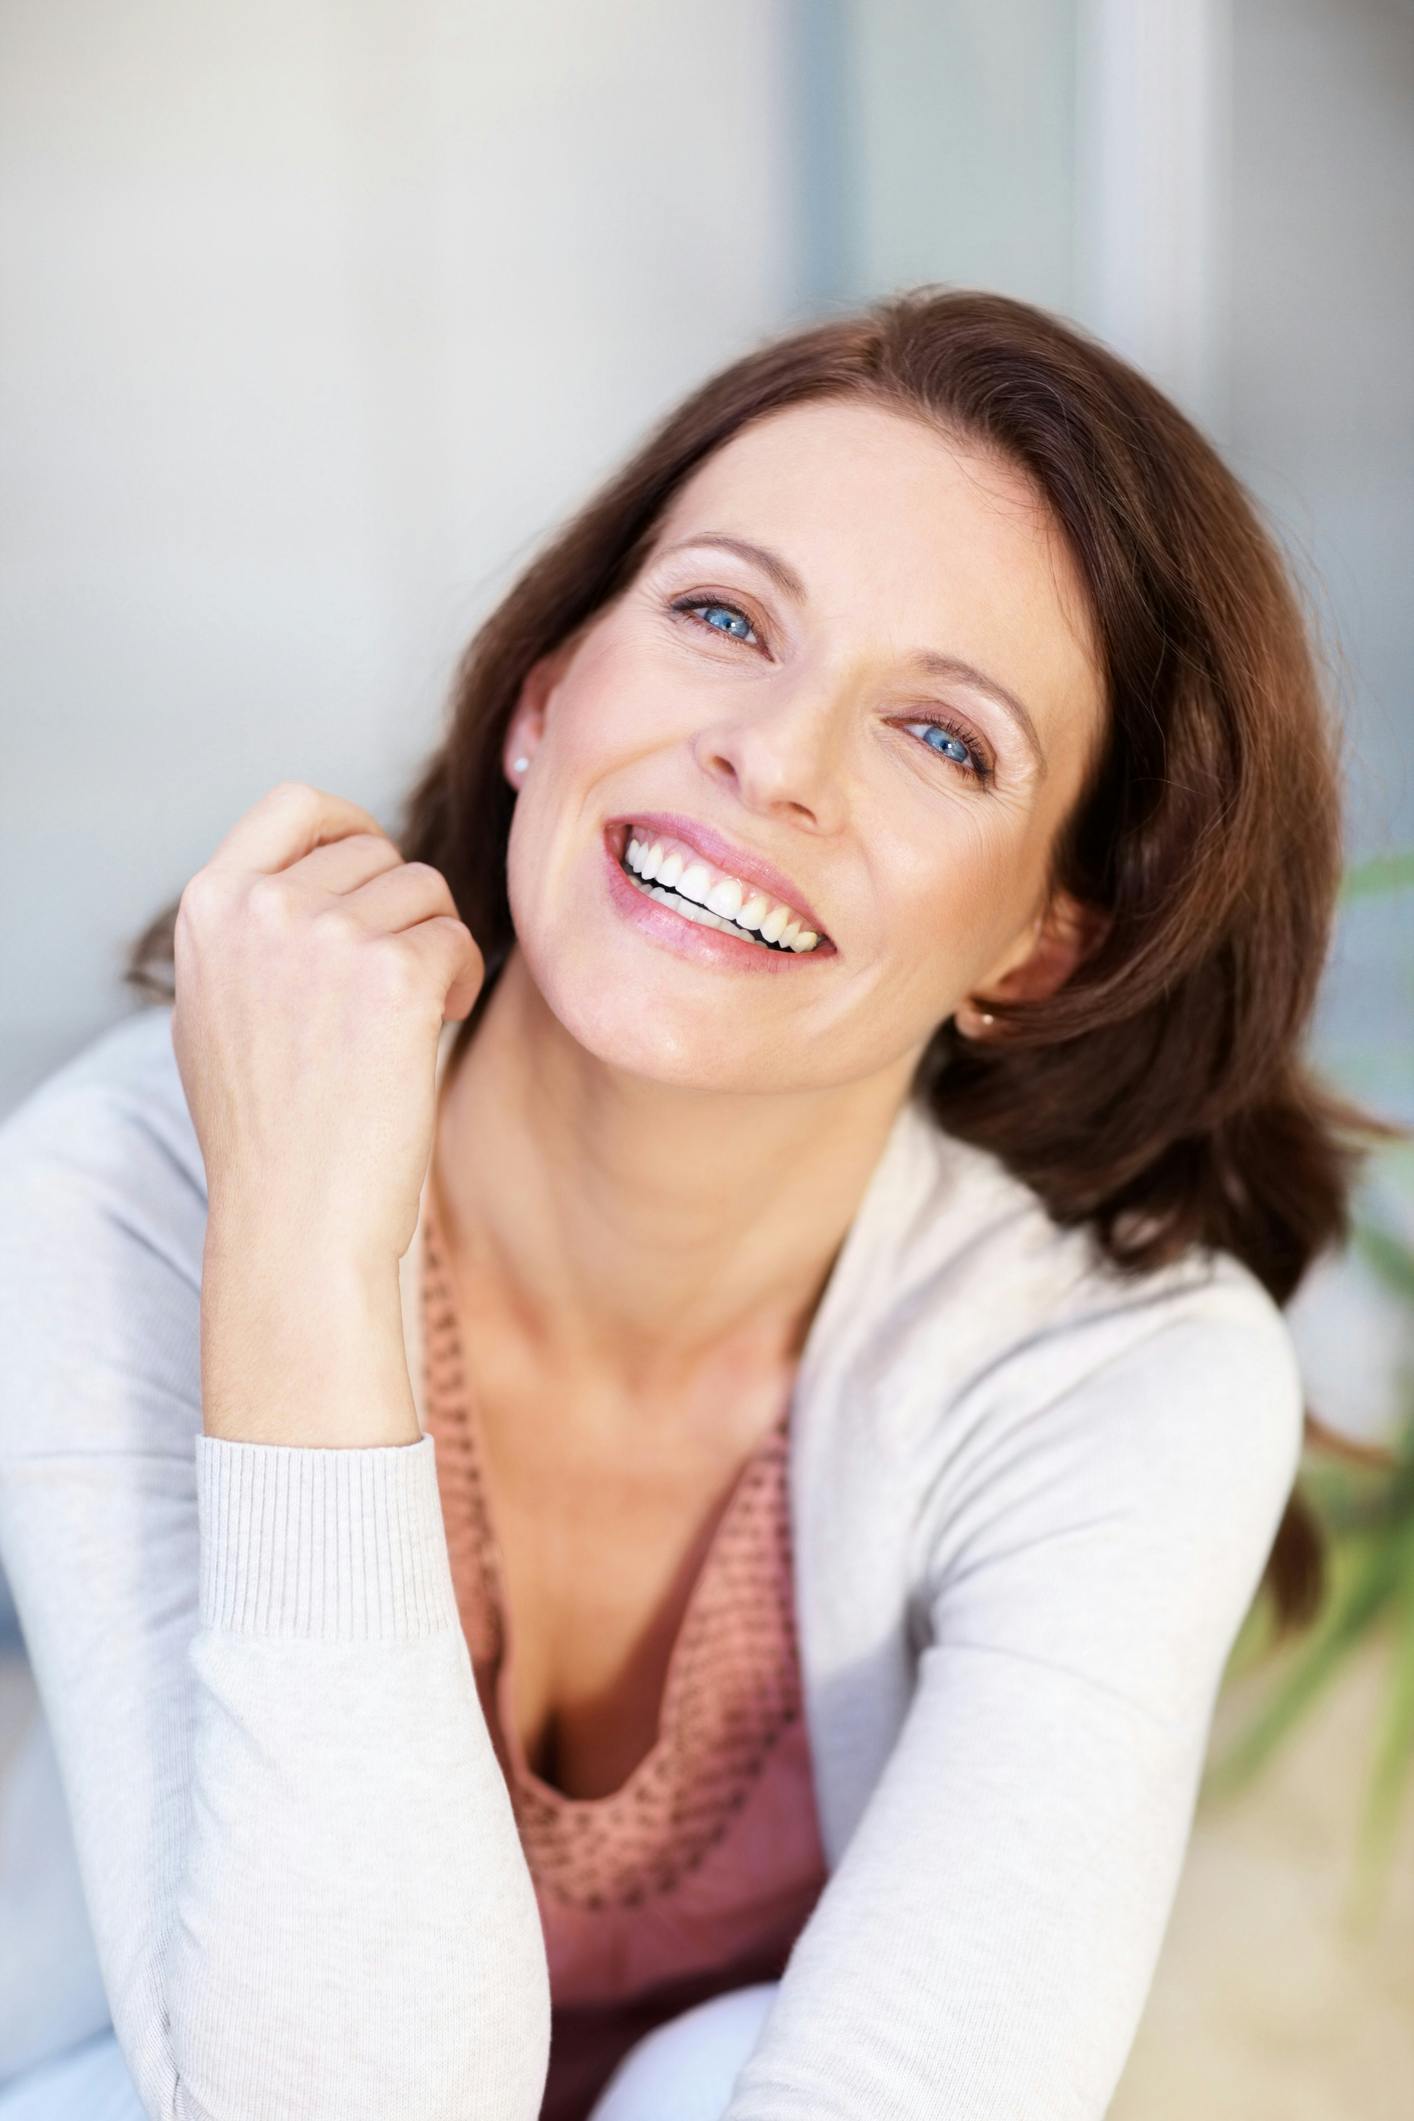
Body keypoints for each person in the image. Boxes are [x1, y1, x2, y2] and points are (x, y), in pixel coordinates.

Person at [0, 286, 1399, 2121]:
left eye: (942, 737)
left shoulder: (1106, 1372)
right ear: (544, 693)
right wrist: (304, 1255)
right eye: (723, 617)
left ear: (1043, 944)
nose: (774, 759)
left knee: (727, 2064)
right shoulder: (132, 1182)